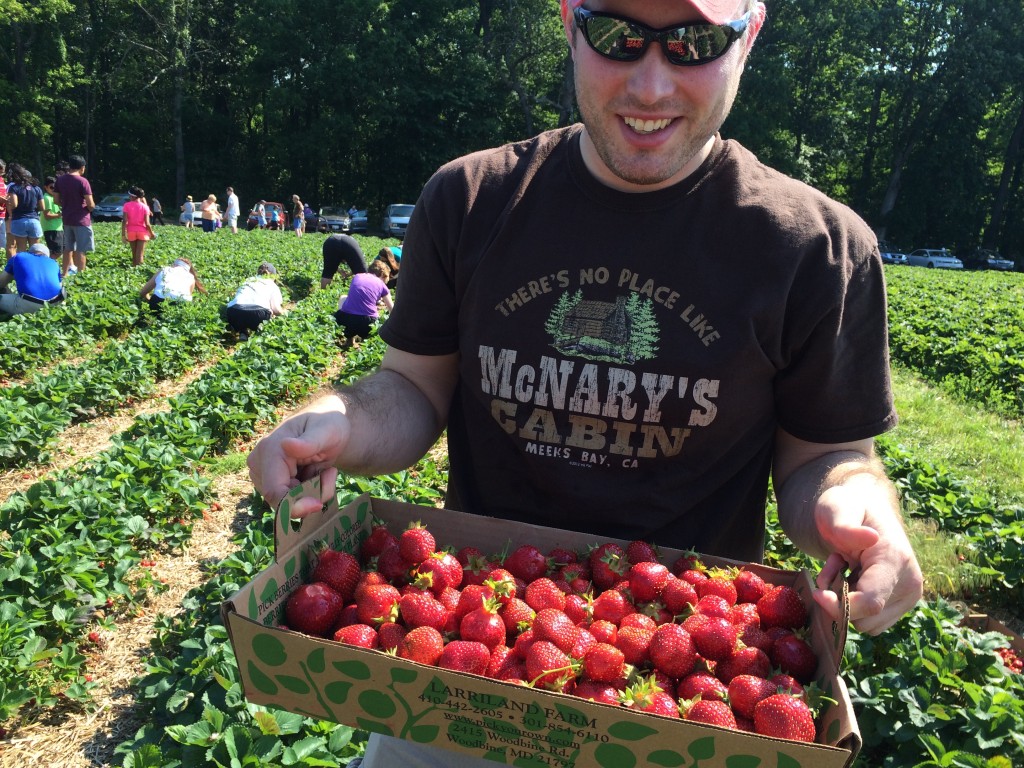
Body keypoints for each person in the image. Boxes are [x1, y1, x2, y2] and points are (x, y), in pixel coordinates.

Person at [249, 4, 924, 764]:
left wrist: (857, 509)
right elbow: (412, 386)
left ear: (751, 35)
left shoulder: (819, 249)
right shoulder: (469, 199)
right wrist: (342, 416)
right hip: (468, 669)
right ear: (570, 22)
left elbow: (825, 457)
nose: (650, 81)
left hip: (684, 695)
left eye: (695, 42)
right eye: (618, 35)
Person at [52, 154, 95, 276]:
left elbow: (56, 200)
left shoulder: (60, 180)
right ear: (82, 167)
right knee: (81, 250)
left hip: (67, 219)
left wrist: (66, 205)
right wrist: (87, 208)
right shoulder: (83, 181)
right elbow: (91, 204)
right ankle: (81, 275)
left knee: (68, 249)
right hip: (81, 220)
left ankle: (64, 274)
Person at [0, 243, 65, 318]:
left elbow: (1, 282)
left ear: (30, 253)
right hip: (55, 305)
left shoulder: (18, 257)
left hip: (30, 305)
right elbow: (59, 287)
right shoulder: (54, 263)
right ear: (47, 255)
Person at [226, 261, 286, 341]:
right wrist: (285, 313)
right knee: (271, 313)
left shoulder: (247, 280)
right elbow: (276, 309)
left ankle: (243, 332)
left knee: (244, 313)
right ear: (274, 276)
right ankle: (260, 339)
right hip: (257, 315)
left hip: (233, 313)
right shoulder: (272, 285)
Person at [333, 260, 393, 339]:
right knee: (377, 319)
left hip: (345, 320)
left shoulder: (357, 276)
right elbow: (392, 309)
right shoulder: (381, 284)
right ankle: (365, 341)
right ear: (382, 274)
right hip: (367, 324)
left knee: (343, 297)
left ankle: (349, 338)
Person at [4, 162, 45, 255]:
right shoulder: (37, 188)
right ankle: (34, 268)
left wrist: (7, 203)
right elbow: (42, 207)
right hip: (34, 220)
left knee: (21, 250)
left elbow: (14, 204)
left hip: (19, 220)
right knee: (35, 250)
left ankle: (21, 268)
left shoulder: (14, 187)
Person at [139, 257, 208, 312]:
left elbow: (143, 292)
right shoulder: (191, 277)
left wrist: (149, 300)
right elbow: (186, 296)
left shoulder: (165, 270)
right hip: (181, 306)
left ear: (174, 265)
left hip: (158, 302)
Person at [121, 186, 157, 267]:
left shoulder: (126, 205)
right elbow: (147, 224)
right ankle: (139, 273)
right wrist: (151, 233)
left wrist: (123, 235)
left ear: (133, 196)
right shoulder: (145, 207)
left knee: (134, 254)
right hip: (142, 232)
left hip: (131, 231)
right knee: (140, 254)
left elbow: (124, 221)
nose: (129, 197)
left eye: (129, 195)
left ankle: (134, 269)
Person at [40, 176, 64, 258]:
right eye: (51, 187)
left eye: (55, 187)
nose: (53, 189)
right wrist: (61, 215)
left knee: (61, 249)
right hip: (51, 228)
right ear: (45, 187)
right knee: (56, 251)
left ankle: (50, 264)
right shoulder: (47, 198)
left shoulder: (54, 197)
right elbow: (47, 215)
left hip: (58, 227)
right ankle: (48, 265)